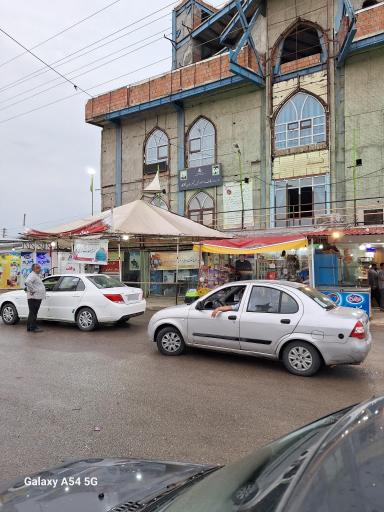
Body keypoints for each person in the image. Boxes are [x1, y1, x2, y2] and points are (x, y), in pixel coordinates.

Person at [25, 263, 46, 333]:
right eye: (38, 268)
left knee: (32, 313)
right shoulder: (33, 275)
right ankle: (33, 328)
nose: (40, 269)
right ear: (34, 269)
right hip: (34, 297)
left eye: (40, 267)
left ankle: (29, 327)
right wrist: (33, 290)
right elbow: (27, 282)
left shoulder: (36, 275)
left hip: (35, 297)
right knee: (33, 313)